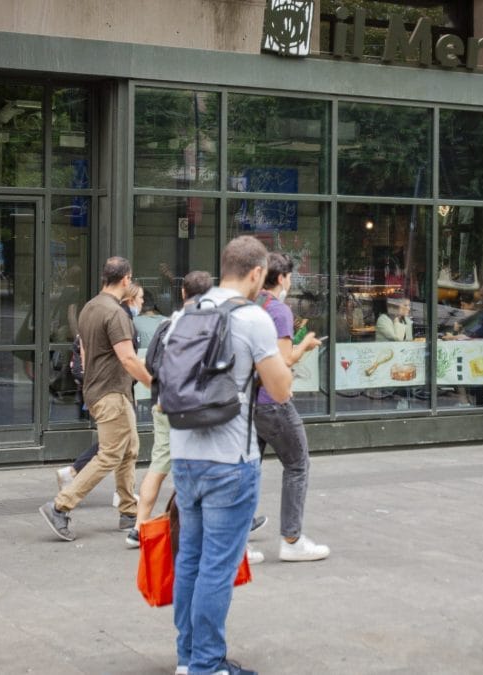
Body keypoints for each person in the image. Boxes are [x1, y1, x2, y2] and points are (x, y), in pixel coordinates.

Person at [170, 236, 293, 675]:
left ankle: (188, 658)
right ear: (257, 273)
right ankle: (207, 665)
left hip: (184, 455)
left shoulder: (186, 313)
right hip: (230, 460)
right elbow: (280, 390)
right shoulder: (253, 318)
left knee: (190, 558)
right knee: (217, 566)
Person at [39, 257, 152, 542]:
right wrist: (155, 384)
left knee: (129, 449)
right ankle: (60, 506)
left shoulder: (90, 307)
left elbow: (86, 353)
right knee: (111, 454)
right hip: (111, 392)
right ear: (126, 279)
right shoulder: (115, 313)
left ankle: (129, 511)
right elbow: (128, 358)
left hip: (103, 390)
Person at [125, 271, 212, 549]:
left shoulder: (167, 324)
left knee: (159, 464)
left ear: (183, 293)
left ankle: (138, 527)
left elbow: (150, 362)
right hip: (190, 407)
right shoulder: (206, 326)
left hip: (163, 403)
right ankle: (207, 525)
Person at [252, 252, 329, 562]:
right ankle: (292, 539)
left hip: (249, 401)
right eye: (289, 277)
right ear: (282, 278)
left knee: (248, 470)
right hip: (273, 401)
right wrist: (305, 345)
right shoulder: (279, 310)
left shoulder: (251, 304)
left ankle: (236, 540)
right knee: (298, 465)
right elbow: (283, 361)